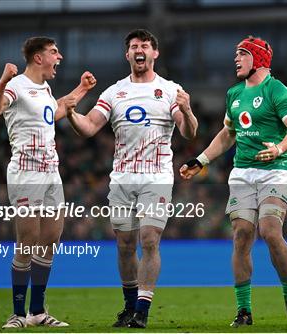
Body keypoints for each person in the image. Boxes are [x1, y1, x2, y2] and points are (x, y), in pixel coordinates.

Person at [66, 29, 198, 328]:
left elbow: (189, 131)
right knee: (125, 243)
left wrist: (188, 111)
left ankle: (142, 309)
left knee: (149, 239)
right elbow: (88, 128)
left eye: (146, 46)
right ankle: (128, 307)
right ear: (127, 55)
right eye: (134, 47)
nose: (140, 50)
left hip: (157, 176)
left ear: (155, 53)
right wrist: (73, 113)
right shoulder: (113, 92)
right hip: (122, 178)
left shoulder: (169, 90)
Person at [180, 35, 287, 327]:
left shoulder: (277, 90)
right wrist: (200, 160)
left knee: (271, 232)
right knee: (241, 237)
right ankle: (244, 311)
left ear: (259, 58)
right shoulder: (234, 93)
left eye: (242, 54)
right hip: (242, 174)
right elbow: (228, 134)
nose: (236, 59)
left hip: (275, 171)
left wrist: (278, 148)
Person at [0, 36, 97, 328]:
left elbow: (55, 112)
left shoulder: (45, 89)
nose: (59, 57)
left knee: (50, 241)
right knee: (28, 240)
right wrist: (2, 81)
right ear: (38, 57)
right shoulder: (16, 86)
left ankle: (37, 312)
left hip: (51, 174)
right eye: (54, 52)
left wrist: (82, 90)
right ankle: (18, 314)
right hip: (26, 173)